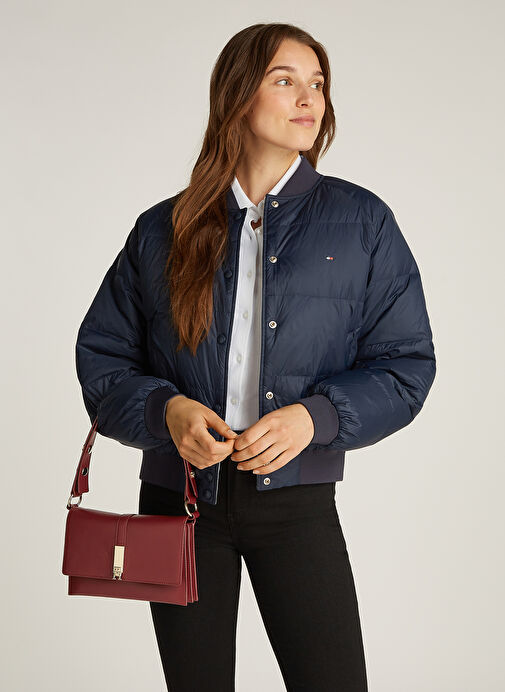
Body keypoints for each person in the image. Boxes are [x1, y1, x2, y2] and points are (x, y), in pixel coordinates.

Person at [75, 22, 436, 692]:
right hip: (179, 502)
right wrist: (166, 411)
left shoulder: (363, 223)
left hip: (296, 504)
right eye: (285, 80)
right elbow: (104, 359)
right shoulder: (165, 228)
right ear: (238, 96)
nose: (309, 98)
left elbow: (406, 365)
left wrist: (316, 418)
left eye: (317, 83)